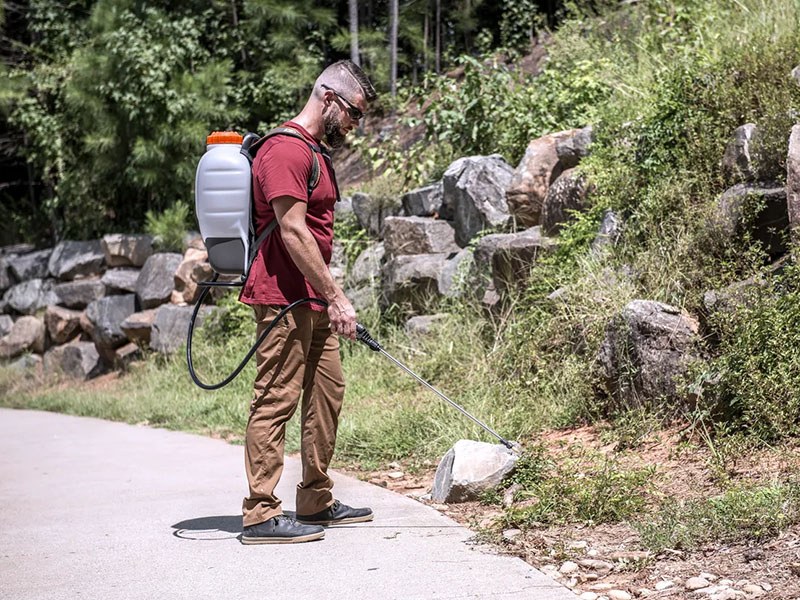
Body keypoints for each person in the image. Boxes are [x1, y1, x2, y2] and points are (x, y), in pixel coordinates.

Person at [238, 60, 378, 544]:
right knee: (276, 398)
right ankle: (260, 512)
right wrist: (337, 296)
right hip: (282, 298)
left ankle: (314, 499)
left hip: (311, 300)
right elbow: (293, 231)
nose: (355, 126)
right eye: (354, 114)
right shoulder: (284, 150)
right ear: (328, 99)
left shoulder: (314, 152)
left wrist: (327, 298)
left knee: (327, 393)